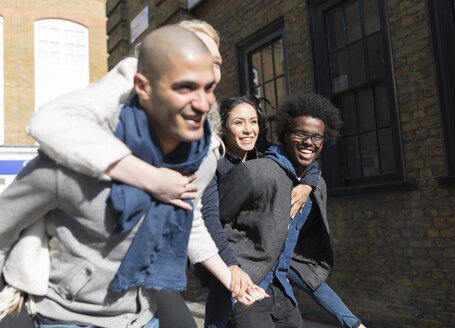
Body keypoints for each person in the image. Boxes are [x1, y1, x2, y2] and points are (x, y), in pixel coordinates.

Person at [0, 25, 265, 328]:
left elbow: (189, 218)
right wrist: (150, 179)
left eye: (211, 76)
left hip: (141, 313)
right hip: (71, 316)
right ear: (143, 82)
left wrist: (230, 274)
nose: (203, 101)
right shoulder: (72, 158)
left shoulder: (199, 156)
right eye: (185, 84)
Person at [200, 95, 365, 328]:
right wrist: (231, 267)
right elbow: (209, 220)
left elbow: (299, 157)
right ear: (222, 128)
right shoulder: (215, 164)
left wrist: (308, 183)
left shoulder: (265, 155)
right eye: (238, 122)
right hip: (234, 271)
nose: (248, 129)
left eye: (253, 121)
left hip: (275, 283)